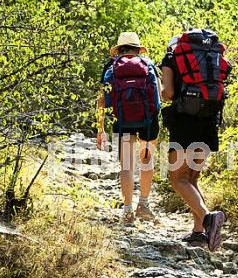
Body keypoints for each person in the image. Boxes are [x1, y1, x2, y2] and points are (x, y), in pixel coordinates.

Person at [159, 29, 231, 252]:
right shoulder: (211, 59)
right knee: (192, 178)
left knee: (178, 179)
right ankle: (198, 233)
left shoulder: (171, 58)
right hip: (210, 120)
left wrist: (162, 86)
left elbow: (168, 93)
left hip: (185, 121)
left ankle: (208, 218)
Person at [96, 32, 161, 225]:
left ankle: (127, 211)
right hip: (149, 120)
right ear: (138, 48)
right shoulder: (148, 64)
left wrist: (100, 129)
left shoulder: (111, 67)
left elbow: (101, 100)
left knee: (126, 165)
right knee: (146, 160)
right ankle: (144, 204)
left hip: (122, 119)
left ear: (119, 49)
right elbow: (159, 97)